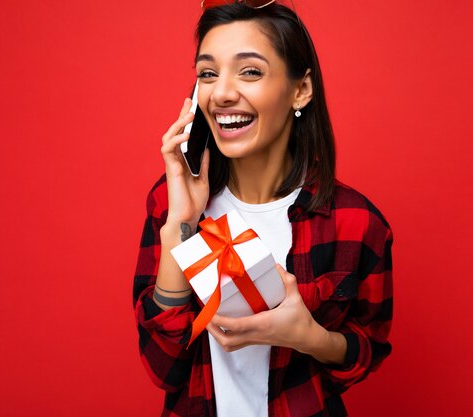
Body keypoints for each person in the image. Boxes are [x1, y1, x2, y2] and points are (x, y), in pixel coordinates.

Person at [133, 2, 393, 416]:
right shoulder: (171, 202)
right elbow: (163, 370)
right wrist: (182, 225)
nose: (221, 93)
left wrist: (309, 336)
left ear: (300, 90)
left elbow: (366, 351)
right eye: (207, 73)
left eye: (250, 71)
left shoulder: (356, 222)